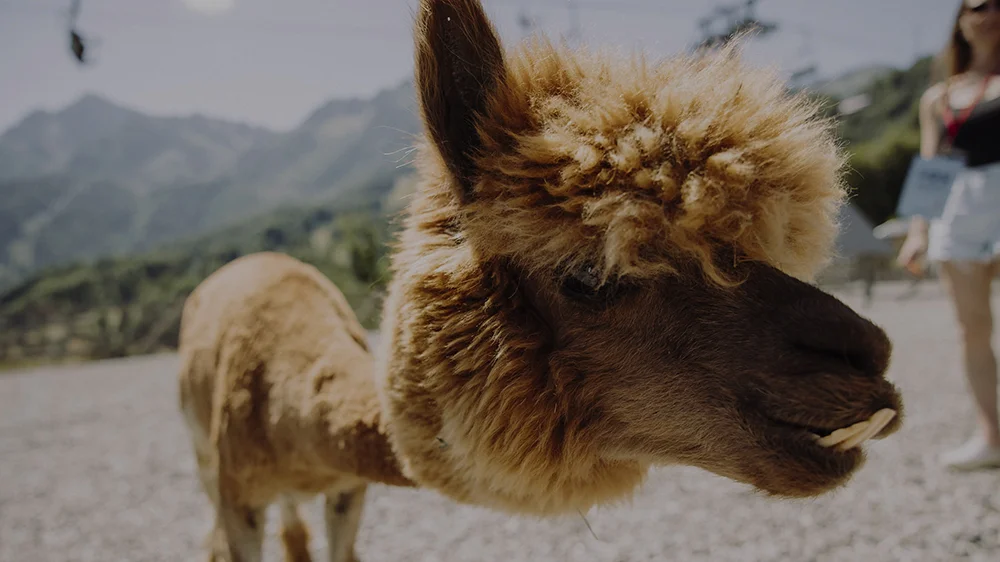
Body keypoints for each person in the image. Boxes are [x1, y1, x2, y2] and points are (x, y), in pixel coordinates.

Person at [898, 0, 1000, 470]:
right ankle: (991, 436)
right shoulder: (937, 98)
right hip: (960, 213)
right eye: (979, 5)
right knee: (972, 330)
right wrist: (917, 232)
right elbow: (931, 169)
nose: (990, 13)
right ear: (961, 20)